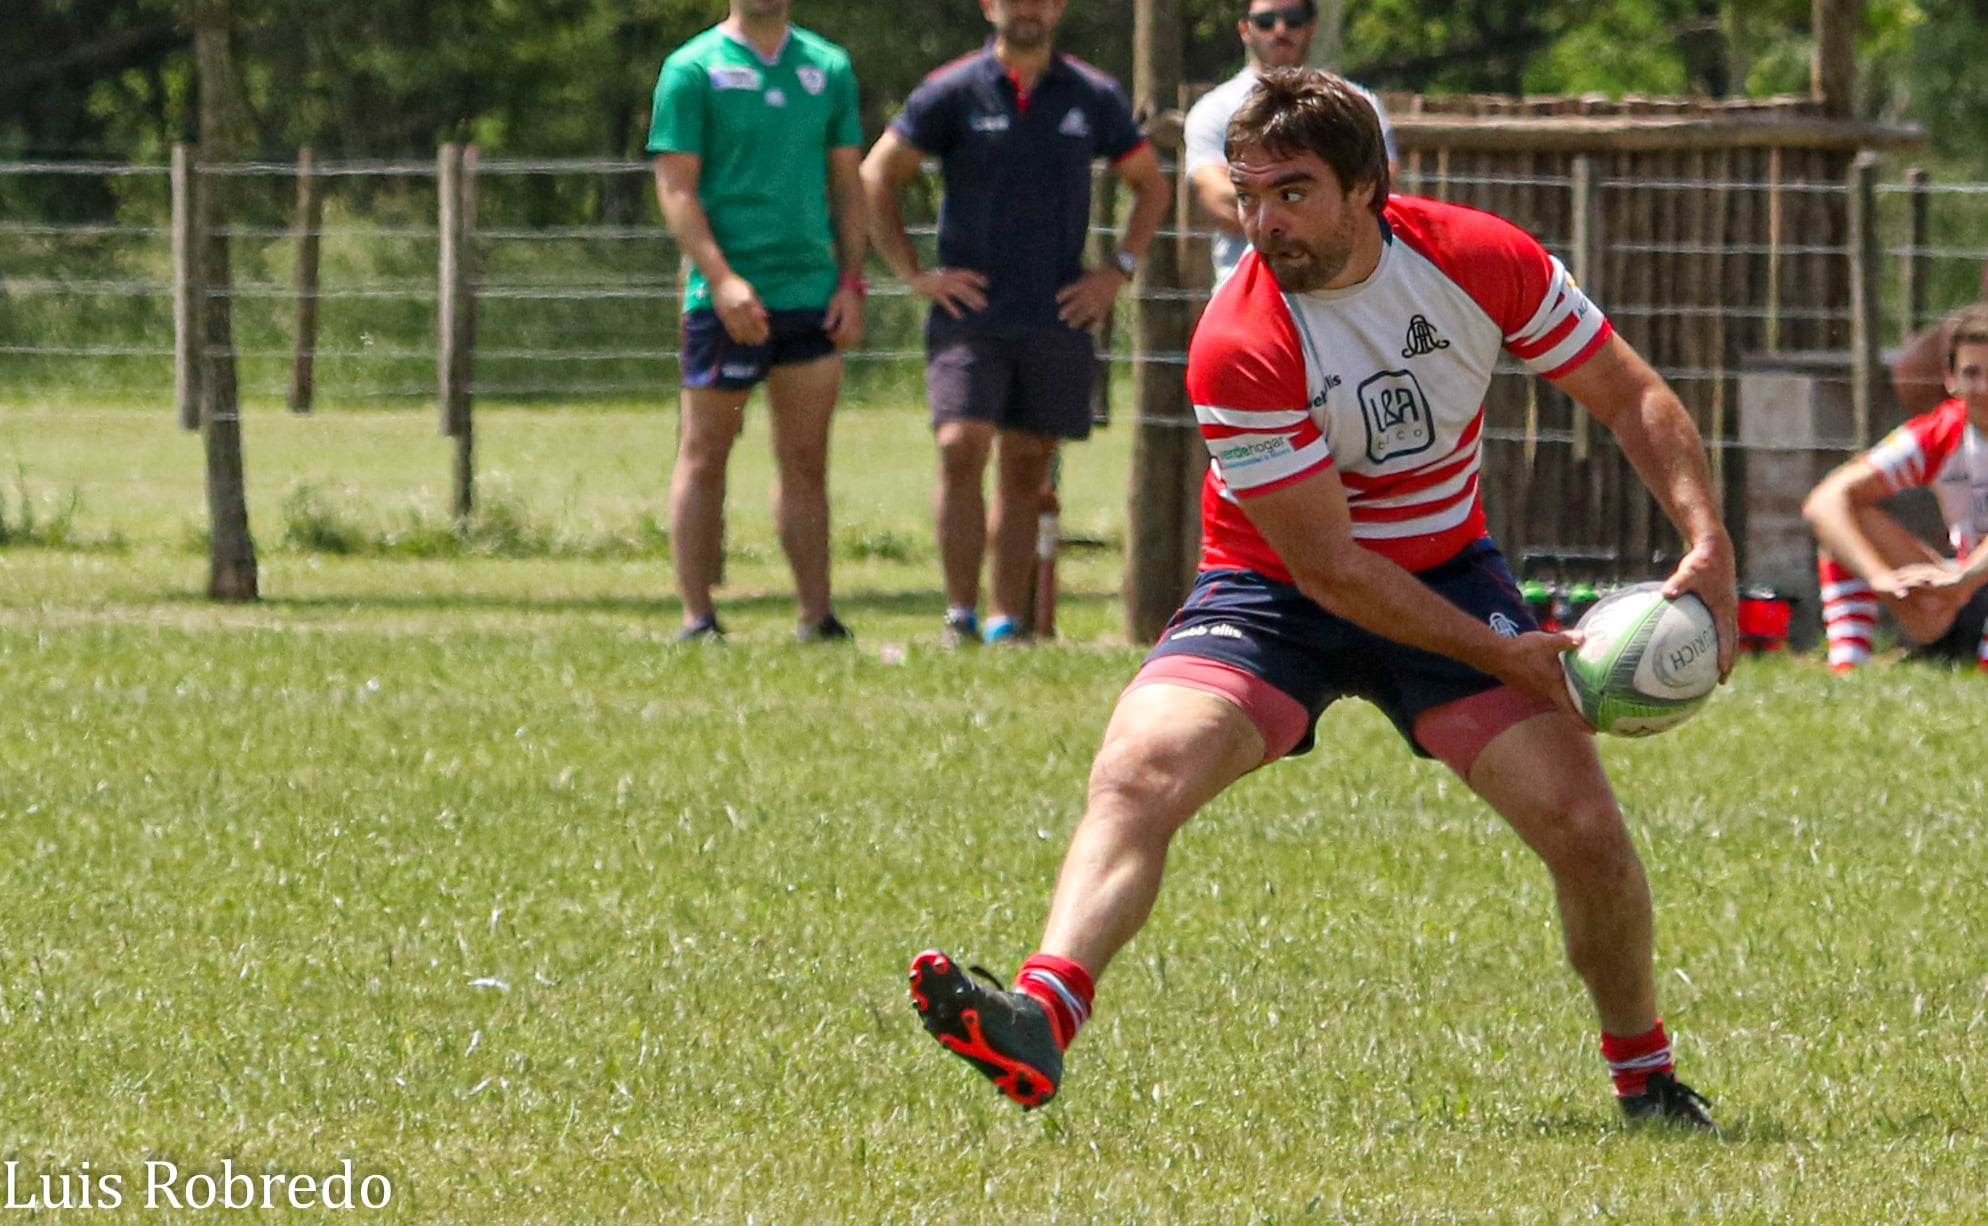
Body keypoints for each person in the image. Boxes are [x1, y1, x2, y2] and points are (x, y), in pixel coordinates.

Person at [908, 68, 1738, 1128]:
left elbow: (1631, 392)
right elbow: (1331, 570)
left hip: (1443, 572)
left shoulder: (1477, 259)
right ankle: (1038, 1012)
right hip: (1271, 592)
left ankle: (1646, 1080)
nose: (1262, 221)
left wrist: (1705, 544)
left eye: (1290, 191)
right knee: (1137, 770)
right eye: (1247, 193)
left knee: (1582, 824)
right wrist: (1514, 657)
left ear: (1368, 187)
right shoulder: (1235, 339)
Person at [860, 0, 1170, 646]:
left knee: (1028, 464)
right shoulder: (952, 89)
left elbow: (1150, 183)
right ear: (989, 6)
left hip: (1057, 312)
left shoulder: (1092, 94)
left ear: (1057, 9)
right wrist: (916, 274)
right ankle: (957, 614)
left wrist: (1116, 271)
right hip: (969, 312)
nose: (1028, 9)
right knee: (959, 445)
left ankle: (1007, 620)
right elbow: (877, 174)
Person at [649, 0, 867, 644]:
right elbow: (676, 188)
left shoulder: (828, 65)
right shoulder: (691, 67)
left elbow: (848, 186)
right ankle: (697, 617)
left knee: (806, 460)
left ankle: (816, 616)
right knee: (705, 454)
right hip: (723, 300)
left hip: (811, 293)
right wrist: (721, 279)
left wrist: (852, 281)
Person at [1804, 302, 1988, 672]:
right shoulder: (1941, 433)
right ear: (1950, 379)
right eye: (1972, 372)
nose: (1984, 387)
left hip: (1968, 578)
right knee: (1846, 523)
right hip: (1963, 589)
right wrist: (1880, 577)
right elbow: (1824, 501)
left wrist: (1963, 577)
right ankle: (1848, 666)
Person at [1180, 0, 1396, 284]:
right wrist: (1317, 202)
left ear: (1311, 26)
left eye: (1294, 19)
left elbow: (1380, 190)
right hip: (1249, 290)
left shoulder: (1355, 103)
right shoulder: (1214, 109)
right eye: (1266, 21)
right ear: (1245, 29)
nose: (1280, 30)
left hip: (1346, 288)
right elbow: (1220, 202)